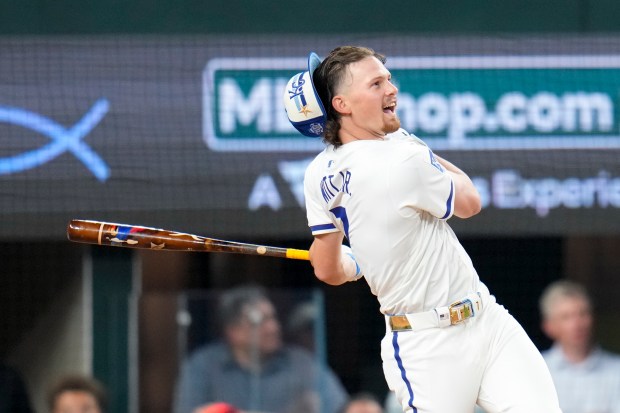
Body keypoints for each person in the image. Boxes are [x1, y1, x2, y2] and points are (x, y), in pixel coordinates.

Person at [283, 46, 562, 413]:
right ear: (342, 104)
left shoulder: (317, 172)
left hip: (484, 323)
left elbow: (328, 269)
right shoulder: (403, 155)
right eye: (376, 83)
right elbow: (470, 202)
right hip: (430, 349)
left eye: (388, 78)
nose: (391, 89)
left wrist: (356, 264)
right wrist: (415, 145)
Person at [173, 285, 348, 413]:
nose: (274, 327)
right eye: (260, 321)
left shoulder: (300, 363)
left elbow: (340, 406)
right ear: (234, 332)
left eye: (273, 318)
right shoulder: (203, 366)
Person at [539, 279, 620, 413]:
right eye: (566, 317)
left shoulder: (617, 371)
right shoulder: (538, 370)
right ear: (548, 326)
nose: (577, 324)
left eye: (582, 314)